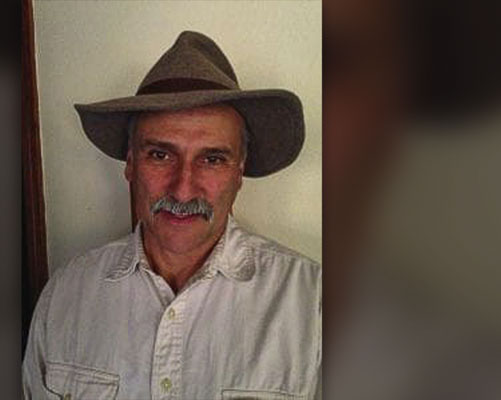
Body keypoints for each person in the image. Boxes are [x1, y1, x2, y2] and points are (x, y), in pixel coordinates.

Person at [23, 31, 321, 400]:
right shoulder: (66, 296)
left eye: (212, 159)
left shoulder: (312, 306)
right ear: (130, 164)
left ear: (239, 172)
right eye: (160, 155)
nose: (182, 190)